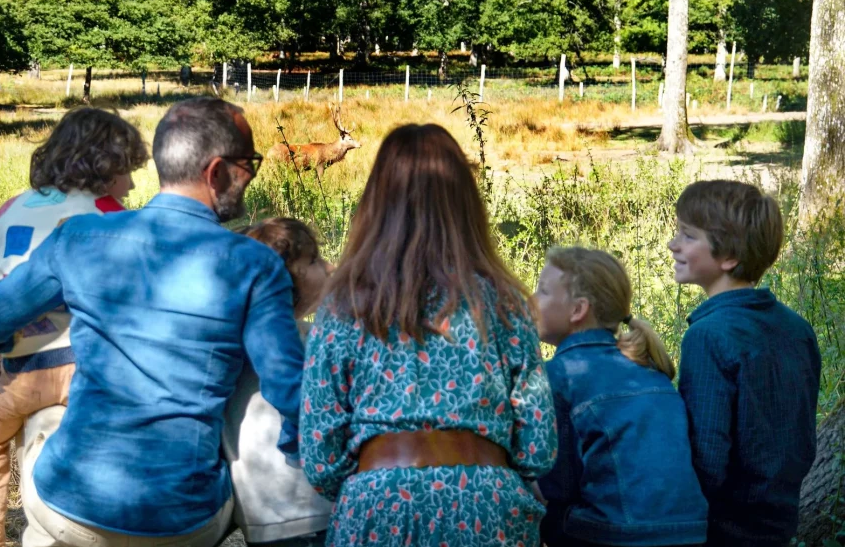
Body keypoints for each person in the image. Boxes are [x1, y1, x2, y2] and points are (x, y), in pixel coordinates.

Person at [0, 97, 305, 547]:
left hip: (69, 508)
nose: (250, 175)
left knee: (41, 420)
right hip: (185, 524)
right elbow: (288, 389)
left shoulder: (78, 238)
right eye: (249, 164)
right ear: (217, 171)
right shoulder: (253, 263)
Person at [299, 124, 557, 547]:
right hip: (486, 510)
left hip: (377, 509)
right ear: (465, 203)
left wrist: (378, 478)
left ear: (376, 202)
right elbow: (538, 445)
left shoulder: (343, 304)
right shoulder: (505, 301)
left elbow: (320, 454)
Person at [0, 106, 148, 547]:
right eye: (127, 172)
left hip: (18, 374)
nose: (132, 184)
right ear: (104, 167)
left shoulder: (10, 209)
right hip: (88, 374)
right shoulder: (111, 216)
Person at [670, 180, 820, 546]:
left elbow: (705, 460)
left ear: (729, 257)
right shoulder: (798, 328)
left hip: (724, 530)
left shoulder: (708, 337)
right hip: (778, 522)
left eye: (687, 236)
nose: (673, 244)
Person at [533, 246, 708, 547]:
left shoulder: (558, 376)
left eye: (543, 292)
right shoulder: (648, 369)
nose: (532, 301)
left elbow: (555, 488)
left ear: (578, 310)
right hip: (690, 532)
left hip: (617, 536)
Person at [223, 218, 334, 547]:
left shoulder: (229, 344)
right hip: (312, 508)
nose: (327, 267)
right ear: (284, 278)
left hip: (261, 516)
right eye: (313, 261)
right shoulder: (309, 340)